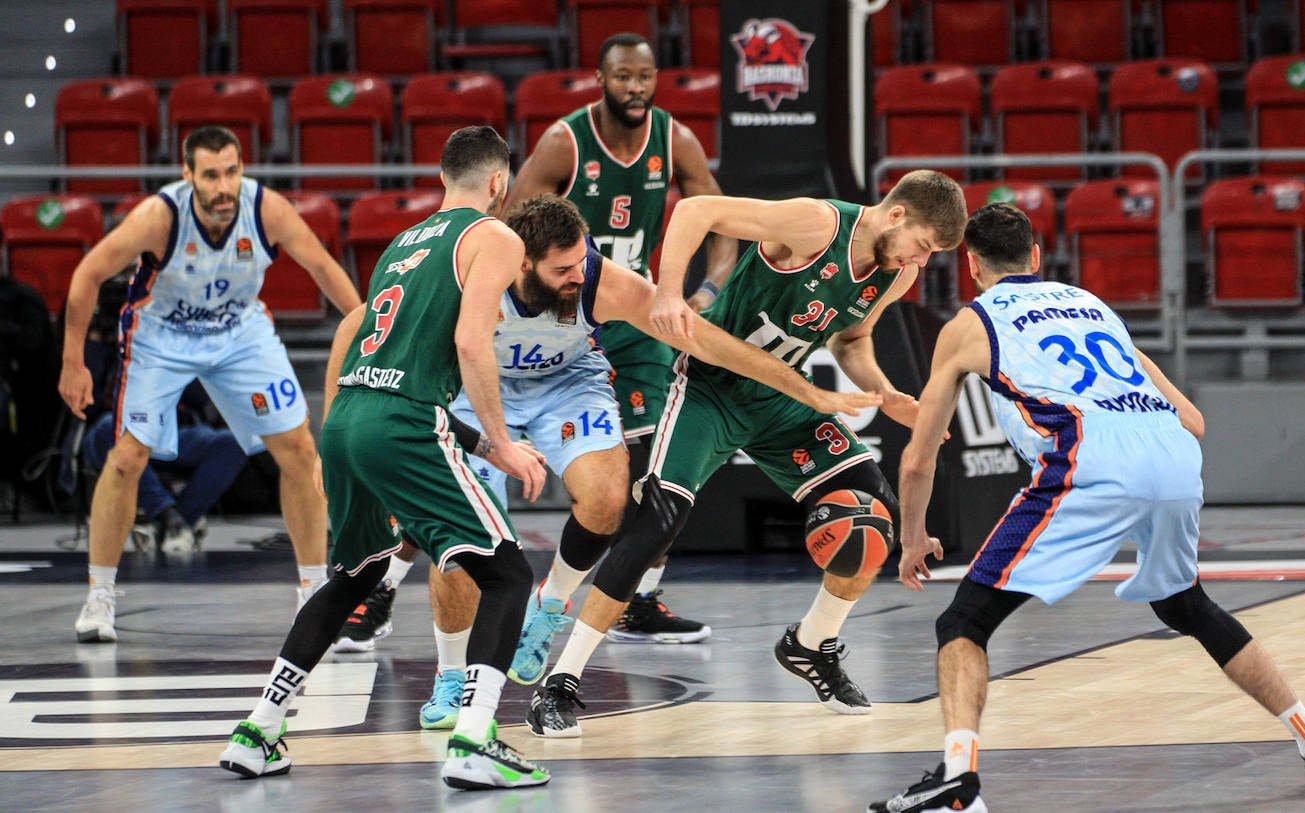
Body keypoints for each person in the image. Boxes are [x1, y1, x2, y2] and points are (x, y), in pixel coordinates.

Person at [869, 203, 1305, 813]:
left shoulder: (969, 326)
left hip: (1090, 458)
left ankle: (958, 783)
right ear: (1037, 255)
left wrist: (913, 538)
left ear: (970, 265)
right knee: (1187, 603)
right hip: (1173, 455)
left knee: (963, 622)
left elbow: (919, 461)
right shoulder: (1092, 305)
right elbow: (1194, 419)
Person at [516, 170, 968, 739]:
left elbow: (850, 339)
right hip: (711, 387)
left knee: (871, 510)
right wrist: (672, 294)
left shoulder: (895, 273)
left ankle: (811, 646)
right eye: (923, 246)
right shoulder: (817, 224)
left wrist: (883, 391)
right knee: (658, 521)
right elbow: (695, 210)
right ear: (897, 215)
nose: (921, 263)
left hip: (780, 396)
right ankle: (560, 681)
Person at [412, 194, 884, 729]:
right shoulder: (468, 278)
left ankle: (550, 608)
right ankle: (450, 676)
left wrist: (807, 389)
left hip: (568, 384)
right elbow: (371, 328)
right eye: (562, 268)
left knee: (611, 499)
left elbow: (704, 340)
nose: (577, 274)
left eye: (582, 260)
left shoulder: (598, 279)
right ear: (522, 262)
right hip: (480, 389)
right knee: (461, 536)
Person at [333, 30, 732, 654]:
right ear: (601, 80)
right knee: (441, 473)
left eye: (645, 77)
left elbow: (717, 217)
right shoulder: (561, 145)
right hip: (526, 317)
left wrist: (703, 289)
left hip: (606, 315)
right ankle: (384, 585)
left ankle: (635, 597)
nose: (635, 87)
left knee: (645, 471)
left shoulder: (675, 140)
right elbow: (498, 225)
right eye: (623, 76)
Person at [218, 126, 553, 789]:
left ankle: (259, 727)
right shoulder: (496, 236)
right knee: (509, 575)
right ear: (498, 184)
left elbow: (382, 364)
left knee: (351, 576)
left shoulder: (404, 243)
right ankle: (476, 737)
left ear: (442, 177)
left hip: (347, 418)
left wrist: (485, 447)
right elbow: (470, 344)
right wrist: (507, 439)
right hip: (401, 422)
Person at [58, 125, 363, 643]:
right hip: (161, 334)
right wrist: (72, 359)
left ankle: (314, 594)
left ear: (242, 168)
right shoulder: (159, 217)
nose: (224, 187)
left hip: (238, 329)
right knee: (128, 456)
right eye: (211, 175)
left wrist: (365, 327)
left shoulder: (267, 210)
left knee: (297, 447)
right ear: (188, 175)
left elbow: (321, 266)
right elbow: (87, 273)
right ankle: (99, 596)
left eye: (232, 172)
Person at [82, 384, 247, 554]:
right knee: (110, 426)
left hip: (170, 434)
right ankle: (166, 513)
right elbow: (86, 402)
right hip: (118, 430)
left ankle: (176, 524)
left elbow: (203, 399)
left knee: (232, 443)